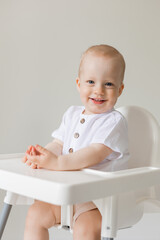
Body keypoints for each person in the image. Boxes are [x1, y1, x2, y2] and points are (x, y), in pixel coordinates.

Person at [22, 44, 129, 240]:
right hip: (67, 194)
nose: (99, 90)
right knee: (35, 215)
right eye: (91, 81)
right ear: (79, 84)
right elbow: (59, 143)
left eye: (108, 84)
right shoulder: (71, 114)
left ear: (120, 89)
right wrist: (44, 154)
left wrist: (58, 163)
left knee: (86, 231)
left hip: (96, 201)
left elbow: (95, 152)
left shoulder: (114, 122)